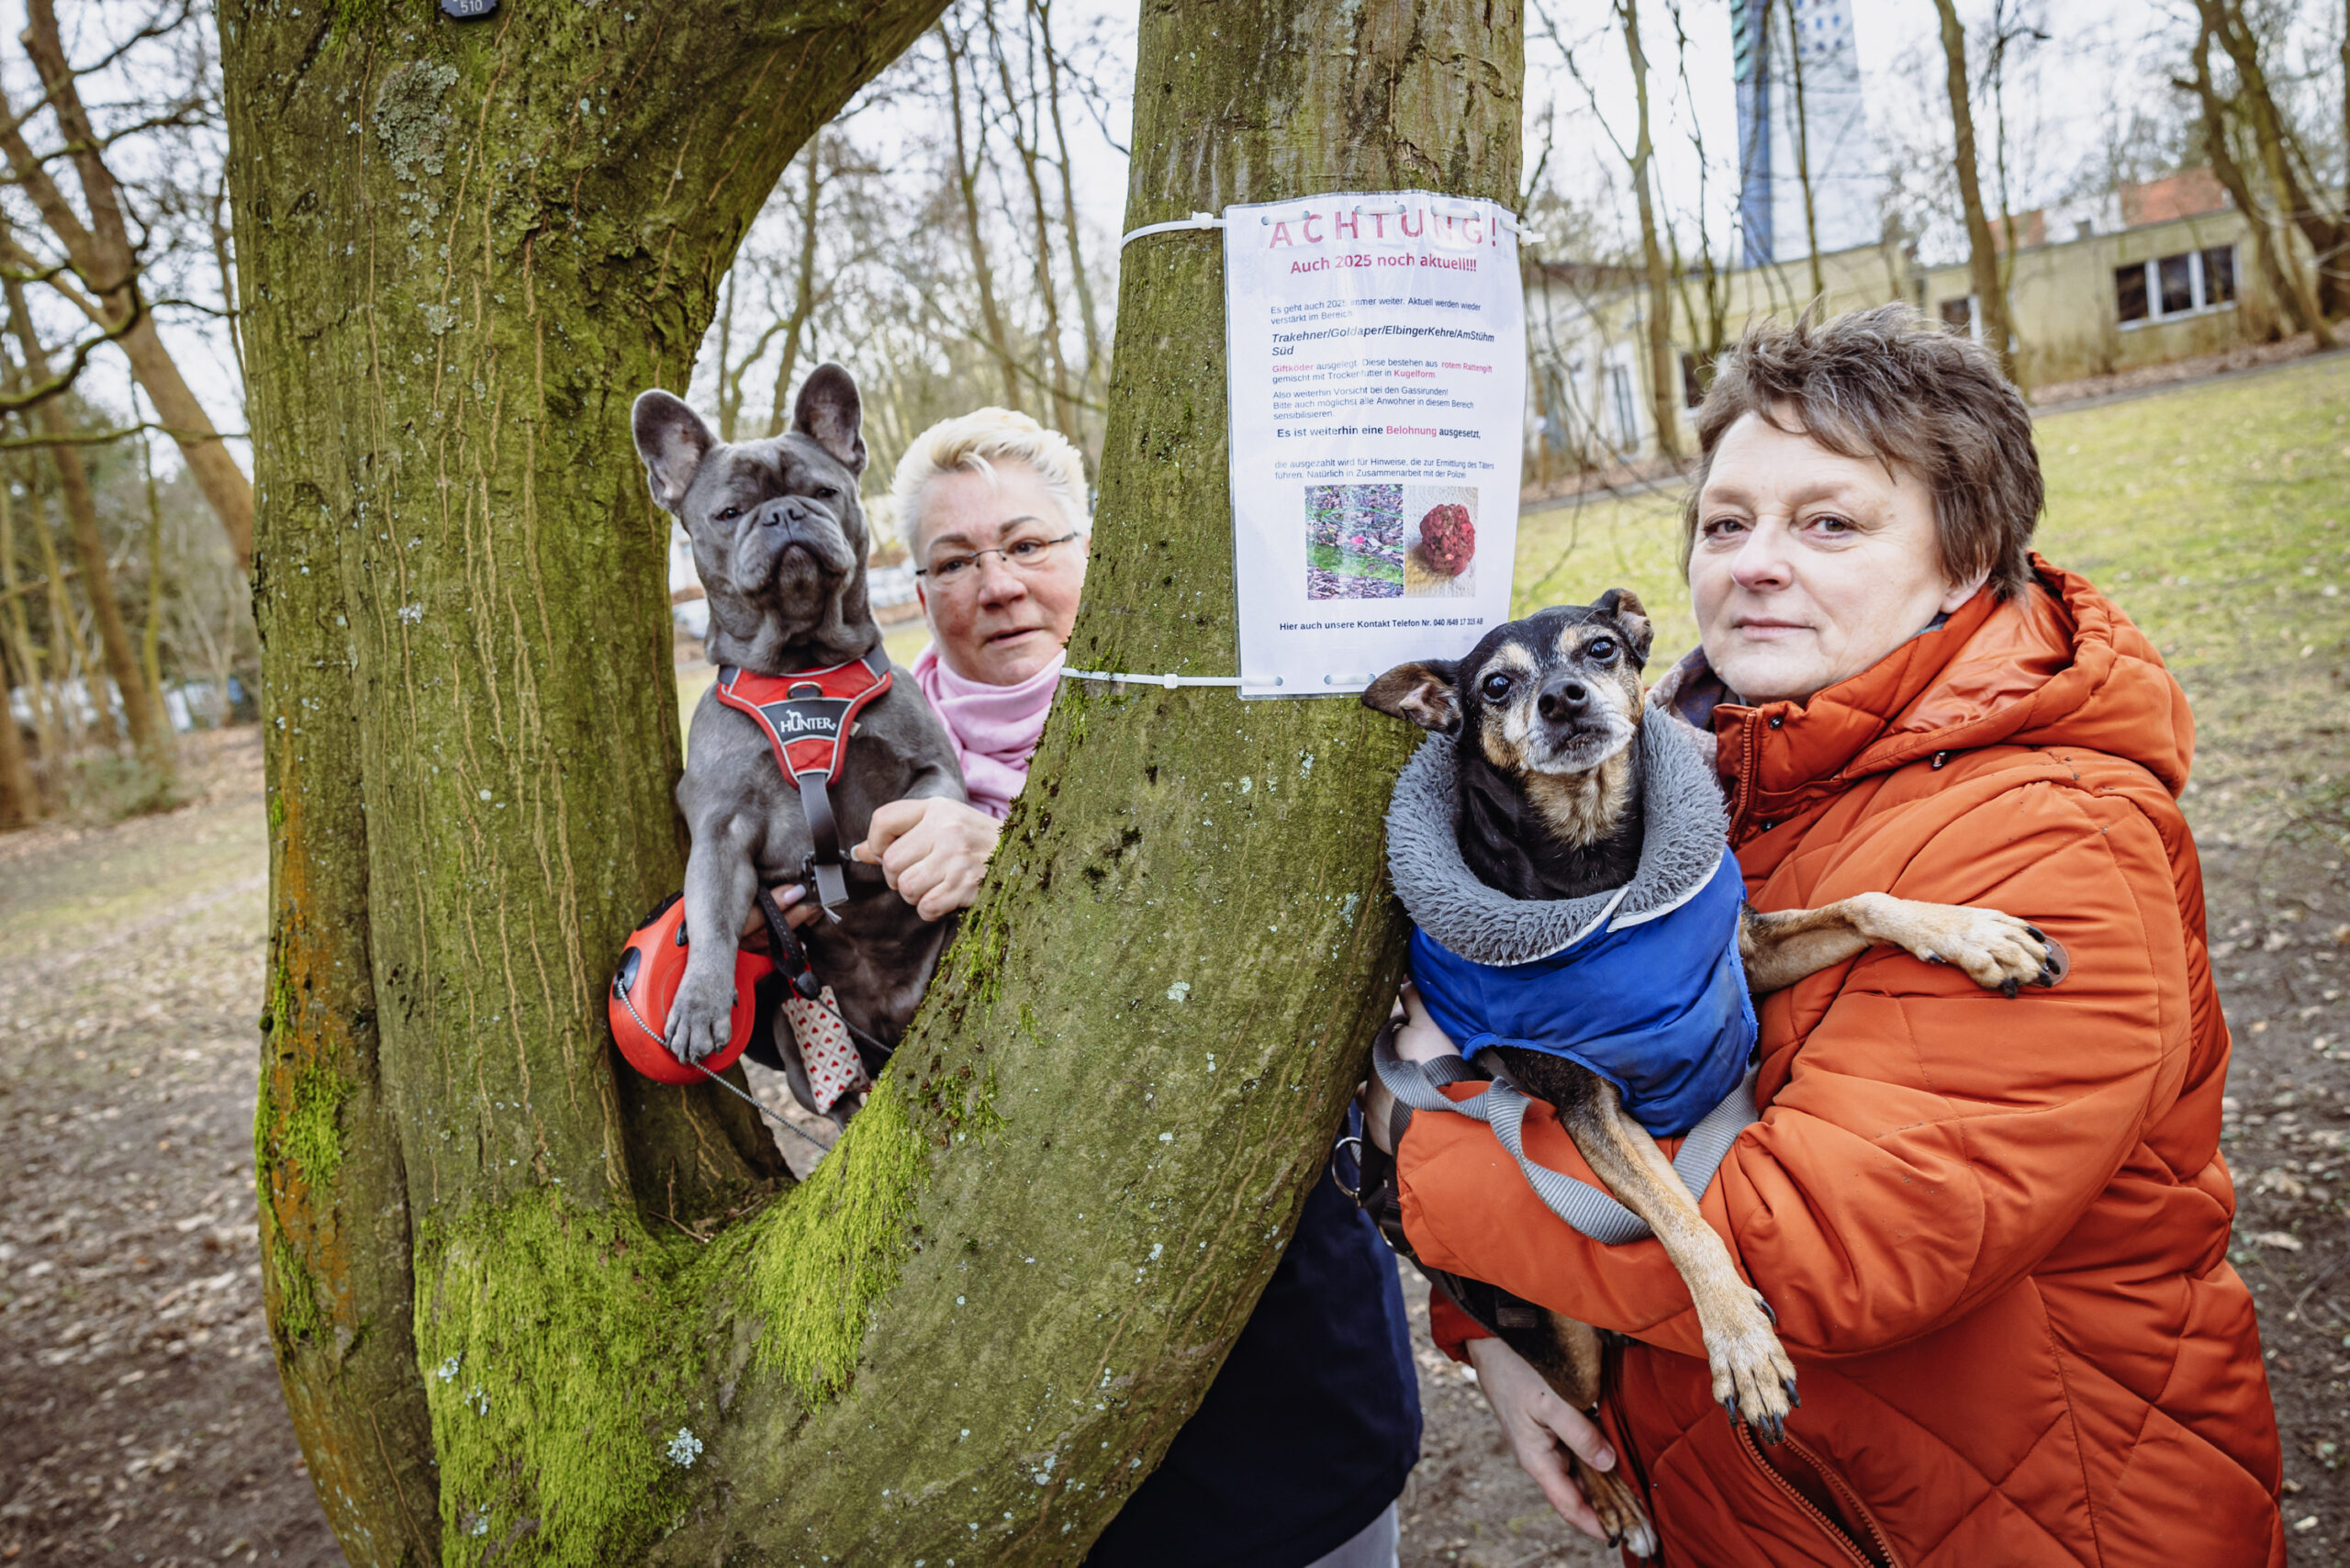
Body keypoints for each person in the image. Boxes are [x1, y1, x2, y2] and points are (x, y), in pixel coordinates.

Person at [1371, 306, 2284, 1565]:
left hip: (2012, 1526)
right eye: (1727, 523)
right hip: (1761, 1509)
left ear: (1970, 558)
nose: (1752, 563)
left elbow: (1820, 1259)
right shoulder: (1711, 788)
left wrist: (1416, 1151)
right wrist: (1511, 1348)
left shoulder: (2057, 841)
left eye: (1830, 523)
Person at [786, 407, 1423, 1568]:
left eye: (1029, 544)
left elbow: (1284, 959)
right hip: (1019, 1371)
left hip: (1278, 1343)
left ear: (1096, 549)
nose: (997, 584)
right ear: (916, 588)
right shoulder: (843, 777)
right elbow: (815, 1036)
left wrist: (1017, 864)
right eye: (955, 560)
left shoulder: (1216, 723)